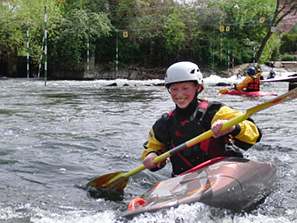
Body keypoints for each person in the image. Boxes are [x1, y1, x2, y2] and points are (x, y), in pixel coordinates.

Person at [142, 61, 262, 176]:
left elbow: (254, 134)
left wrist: (233, 127)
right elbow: (153, 147)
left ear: (198, 88)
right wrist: (151, 155)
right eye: (174, 89)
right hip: (184, 180)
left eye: (185, 88)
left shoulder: (215, 112)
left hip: (221, 175)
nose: (179, 94)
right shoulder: (165, 123)